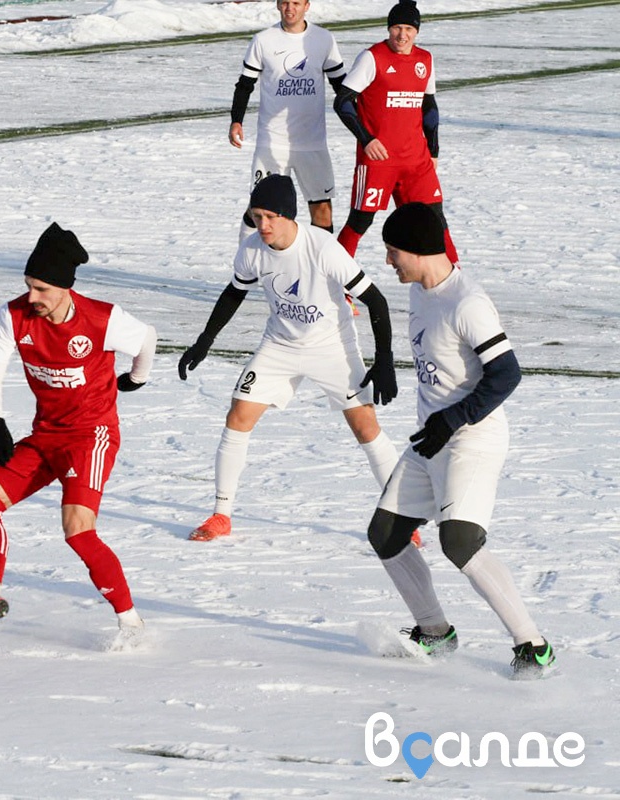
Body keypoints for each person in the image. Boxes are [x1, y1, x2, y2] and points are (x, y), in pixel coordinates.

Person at [0, 223, 157, 650]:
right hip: (46, 435)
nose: (32, 297)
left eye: (40, 289)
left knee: (78, 530)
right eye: (28, 286)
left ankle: (130, 622)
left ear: (64, 288)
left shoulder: (103, 318)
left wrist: (136, 378)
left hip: (91, 436)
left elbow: (147, 337)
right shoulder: (13, 315)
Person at [368, 203, 554, 678]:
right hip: (433, 436)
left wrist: (454, 418)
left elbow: (507, 374)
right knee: (386, 533)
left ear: (417, 249)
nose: (389, 261)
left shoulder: (466, 302)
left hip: (473, 437)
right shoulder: (421, 292)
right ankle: (434, 632)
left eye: (393, 251)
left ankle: (533, 645)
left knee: (460, 541)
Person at [178, 175, 402, 542]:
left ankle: (400, 517)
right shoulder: (252, 249)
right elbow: (234, 293)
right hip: (279, 346)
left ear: (288, 215)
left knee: (365, 427)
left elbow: (375, 300)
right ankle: (221, 515)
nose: (262, 225)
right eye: (255, 216)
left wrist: (385, 359)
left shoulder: (322, 247)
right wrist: (205, 340)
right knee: (238, 415)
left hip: (332, 347)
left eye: (269, 216)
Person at [332, 0, 459, 266]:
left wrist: (433, 149)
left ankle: (454, 280)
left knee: (434, 220)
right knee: (360, 221)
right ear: (389, 28)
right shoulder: (372, 57)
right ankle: (335, 282)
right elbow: (343, 101)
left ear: (417, 31)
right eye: (397, 28)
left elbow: (429, 107)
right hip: (379, 160)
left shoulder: (425, 59)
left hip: (416, 159)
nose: (402, 35)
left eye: (408, 29)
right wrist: (366, 140)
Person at [229, 0, 347, 238]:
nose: (289, 8)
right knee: (259, 208)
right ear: (277, 5)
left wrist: (365, 120)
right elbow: (244, 85)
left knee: (322, 210)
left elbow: (342, 86)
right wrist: (236, 120)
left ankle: (317, 270)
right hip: (273, 141)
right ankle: (246, 267)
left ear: (307, 5)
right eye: (284, 3)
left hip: (312, 142)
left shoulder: (323, 39)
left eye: (295, 3)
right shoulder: (263, 40)